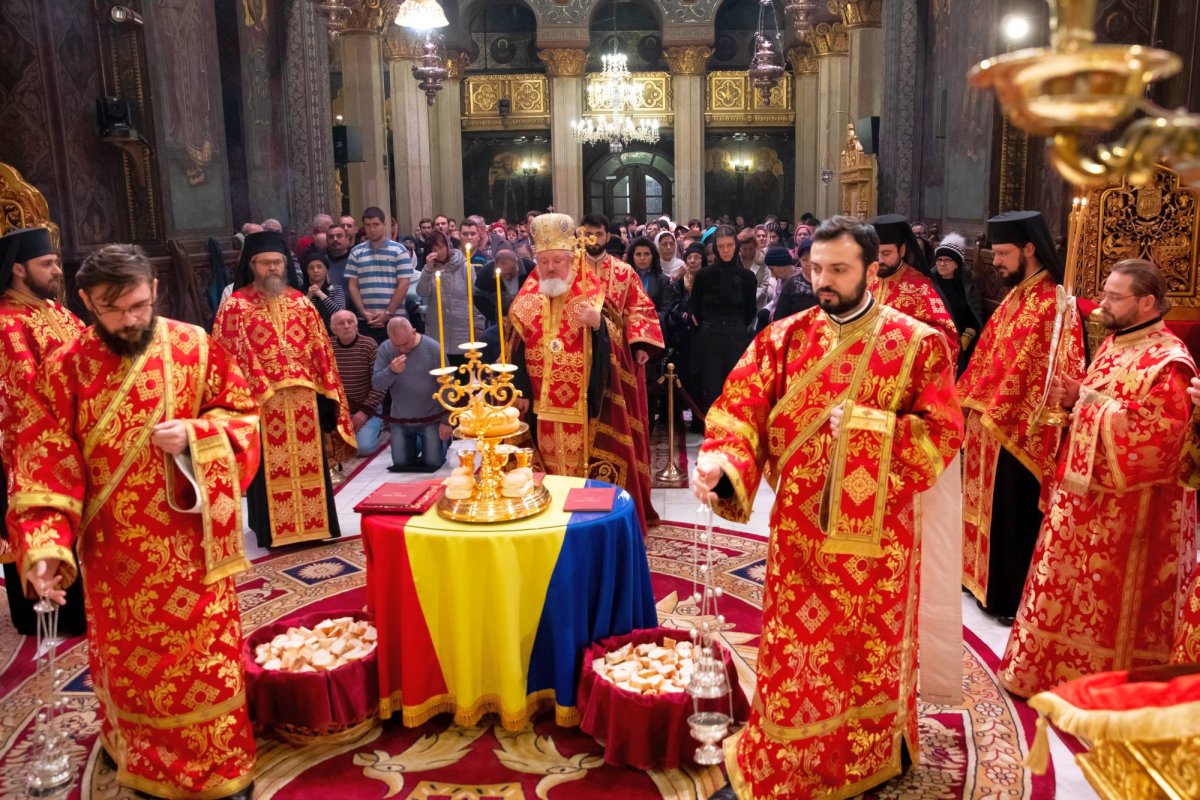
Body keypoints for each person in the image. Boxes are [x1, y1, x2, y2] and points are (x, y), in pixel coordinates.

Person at [692, 216, 964, 800]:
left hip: (879, 541)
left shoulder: (916, 343)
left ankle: (872, 752)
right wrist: (723, 464)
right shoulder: (784, 336)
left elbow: (943, 432)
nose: (823, 280)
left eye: (838, 269)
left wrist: (873, 428)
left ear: (873, 268)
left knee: (865, 653)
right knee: (797, 649)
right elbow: (740, 407)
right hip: (798, 528)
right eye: (817, 268)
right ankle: (787, 753)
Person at [9, 244, 258, 799]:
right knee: (132, 673)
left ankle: (219, 767)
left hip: (194, 551)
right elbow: (43, 459)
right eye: (113, 309)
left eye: (140, 305)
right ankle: (141, 758)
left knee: (204, 665)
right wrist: (45, 543)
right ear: (85, 301)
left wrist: (198, 436)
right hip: (114, 558)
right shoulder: (63, 368)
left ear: (155, 290)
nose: (131, 320)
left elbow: (240, 413)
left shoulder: (194, 346)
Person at [997, 259, 1197, 696]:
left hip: (1130, 515)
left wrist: (1084, 401)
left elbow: (1157, 443)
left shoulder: (1169, 363)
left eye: (1113, 296)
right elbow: (1100, 401)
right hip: (1082, 498)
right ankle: (1049, 672)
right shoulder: (1114, 342)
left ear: (1147, 302)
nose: (1102, 304)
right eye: (1104, 292)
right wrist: (1075, 399)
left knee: (1109, 606)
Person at [959, 210, 1086, 622]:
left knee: (1012, 515)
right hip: (991, 423)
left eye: (1002, 253)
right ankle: (978, 582)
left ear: (1029, 249)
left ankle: (1005, 597)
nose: (994, 261)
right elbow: (989, 358)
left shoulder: (1051, 303)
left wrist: (989, 409)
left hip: (1017, 431)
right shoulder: (1017, 296)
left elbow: (1038, 372)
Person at [509, 213, 663, 533]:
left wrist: (598, 326)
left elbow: (616, 338)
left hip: (586, 406)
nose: (551, 267)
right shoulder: (526, 301)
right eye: (544, 260)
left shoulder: (593, 293)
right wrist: (521, 391)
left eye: (557, 260)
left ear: (572, 259)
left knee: (587, 469)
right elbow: (516, 350)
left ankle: (586, 527)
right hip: (539, 407)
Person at [214, 230, 357, 548]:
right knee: (269, 467)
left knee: (309, 465)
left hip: (304, 399)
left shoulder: (301, 303)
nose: (273, 269)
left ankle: (315, 526)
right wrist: (258, 389)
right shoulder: (235, 307)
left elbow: (321, 349)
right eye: (265, 263)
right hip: (262, 403)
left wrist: (325, 389)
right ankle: (272, 531)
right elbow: (227, 356)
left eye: (277, 262)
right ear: (252, 265)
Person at [0, 227, 87, 637]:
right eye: (46, 264)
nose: (56, 270)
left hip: (76, 437)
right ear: (18, 269)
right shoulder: (7, 323)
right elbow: (25, 393)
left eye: (55, 262)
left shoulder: (61, 313)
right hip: (32, 449)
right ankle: (47, 612)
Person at [868, 214, 958, 360]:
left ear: (902, 250)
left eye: (886, 253)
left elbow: (945, 338)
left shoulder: (921, 288)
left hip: (901, 367)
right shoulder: (864, 281)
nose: (879, 260)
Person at [689, 225, 757, 413]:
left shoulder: (747, 277)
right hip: (710, 337)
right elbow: (695, 307)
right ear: (716, 248)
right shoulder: (704, 275)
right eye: (721, 246)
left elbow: (750, 310)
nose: (726, 250)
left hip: (737, 337)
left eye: (729, 245)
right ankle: (713, 435)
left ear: (736, 246)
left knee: (736, 389)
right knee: (711, 390)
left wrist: (735, 327)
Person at [372, 317, 451, 471]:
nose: (401, 349)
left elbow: (448, 386)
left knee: (433, 463)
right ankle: (421, 443)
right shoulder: (386, 349)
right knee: (401, 463)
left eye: (405, 344)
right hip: (400, 418)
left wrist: (446, 420)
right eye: (397, 345)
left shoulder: (433, 348)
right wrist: (391, 371)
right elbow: (376, 383)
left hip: (431, 417)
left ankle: (441, 442)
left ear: (414, 332)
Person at [416, 230, 486, 369]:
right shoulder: (430, 270)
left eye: (441, 247)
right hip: (438, 329)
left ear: (448, 246)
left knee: (463, 372)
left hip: (461, 328)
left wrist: (478, 324)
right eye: (434, 248)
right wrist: (427, 269)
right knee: (441, 375)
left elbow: (475, 297)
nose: (438, 251)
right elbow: (422, 292)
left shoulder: (465, 267)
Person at [346, 205, 415, 342]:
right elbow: (353, 285)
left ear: (384, 225)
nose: (372, 229)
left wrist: (388, 313)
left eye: (376, 224)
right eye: (368, 225)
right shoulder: (356, 252)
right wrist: (363, 312)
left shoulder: (399, 250)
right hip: (366, 319)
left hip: (395, 318)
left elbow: (404, 284)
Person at [330, 309, 386, 456]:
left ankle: (378, 426)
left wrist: (364, 412)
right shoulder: (327, 347)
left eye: (350, 322)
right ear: (333, 329)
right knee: (330, 447)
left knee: (363, 448)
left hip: (367, 408)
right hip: (339, 409)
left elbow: (381, 384)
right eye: (341, 323)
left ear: (356, 326)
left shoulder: (369, 345)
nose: (347, 326)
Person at [931, 233, 985, 377]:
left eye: (947, 260)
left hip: (958, 341)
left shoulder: (967, 287)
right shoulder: (929, 284)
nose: (942, 264)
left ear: (956, 264)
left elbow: (974, 319)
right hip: (932, 339)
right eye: (939, 260)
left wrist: (962, 344)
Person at [476, 246, 533, 328]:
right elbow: (477, 297)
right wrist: (495, 314)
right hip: (497, 320)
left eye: (511, 273)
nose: (507, 277)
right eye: (504, 274)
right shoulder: (486, 272)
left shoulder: (529, 267)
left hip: (527, 318)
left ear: (517, 262)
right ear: (496, 265)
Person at [302, 249, 346, 331]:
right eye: (311, 268)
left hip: (333, 335)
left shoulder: (336, 289)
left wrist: (321, 294)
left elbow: (341, 314)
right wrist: (308, 297)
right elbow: (298, 315)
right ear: (307, 271)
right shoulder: (301, 292)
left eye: (319, 266)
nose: (315, 270)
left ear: (326, 270)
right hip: (309, 333)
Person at [325, 222, 353, 297]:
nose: (335, 239)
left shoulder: (355, 260)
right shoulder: (322, 263)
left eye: (339, 236)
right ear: (326, 241)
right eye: (331, 237)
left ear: (347, 240)